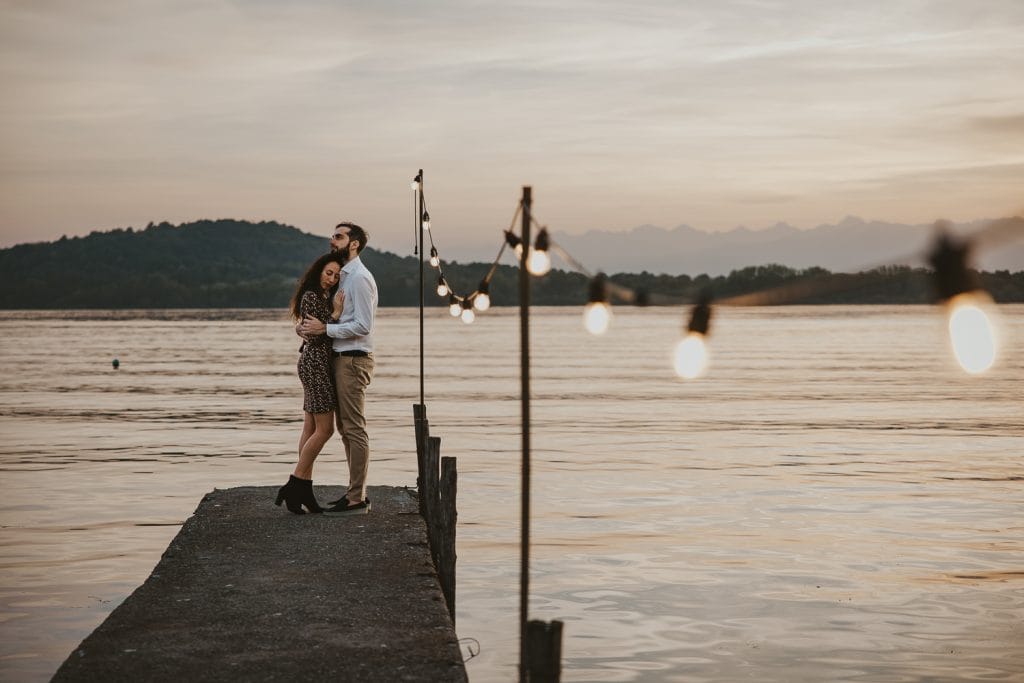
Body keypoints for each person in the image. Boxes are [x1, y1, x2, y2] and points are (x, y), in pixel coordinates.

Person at [299, 222, 378, 516]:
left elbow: (363, 326)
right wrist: (307, 328)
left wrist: (326, 328)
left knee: (353, 428)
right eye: (333, 235)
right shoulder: (343, 276)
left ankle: (357, 497)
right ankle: (351, 493)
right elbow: (325, 318)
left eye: (339, 236)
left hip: (354, 358)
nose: (332, 240)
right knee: (345, 428)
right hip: (340, 358)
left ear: (354, 243)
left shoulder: (358, 278)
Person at [275, 251, 346, 514]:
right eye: (329, 273)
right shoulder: (312, 296)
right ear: (318, 271)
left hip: (312, 363)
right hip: (315, 365)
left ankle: (303, 487)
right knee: (325, 430)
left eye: (337, 276)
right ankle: (296, 484)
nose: (332, 279)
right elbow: (316, 337)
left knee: (310, 427)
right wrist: (336, 315)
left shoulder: (321, 297)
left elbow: (311, 331)